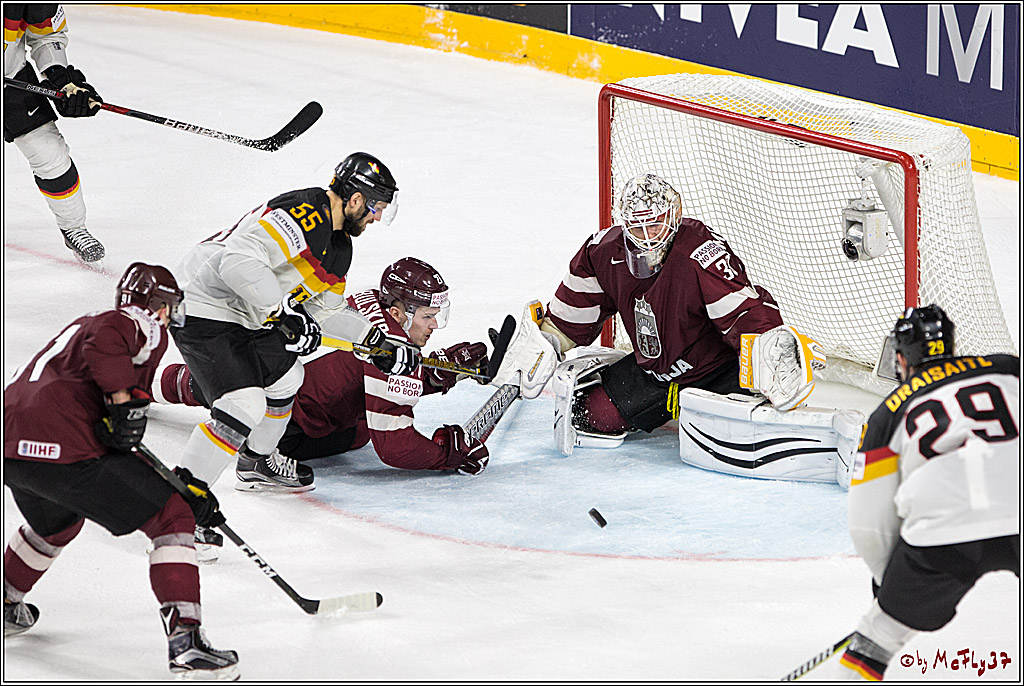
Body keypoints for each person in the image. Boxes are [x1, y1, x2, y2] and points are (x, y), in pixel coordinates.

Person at [171, 153, 422, 552]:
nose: (376, 218)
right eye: (375, 208)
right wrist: (281, 313)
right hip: (204, 300)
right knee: (244, 405)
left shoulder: (339, 246)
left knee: (288, 378)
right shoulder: (305, 213)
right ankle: (179, 508)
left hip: (248, 310)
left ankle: (256, 461)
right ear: (355, 199)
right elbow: (237, 262)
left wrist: (378, 344)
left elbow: (327, 312)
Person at [3, 263, 239, 679]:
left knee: (56, 521)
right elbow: (107, 342)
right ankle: (187, 644)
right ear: (156, 304)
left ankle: (4, 602)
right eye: (168, 305)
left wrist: (176, 483)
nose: (169, 315)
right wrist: (118, 398)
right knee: (171, 516)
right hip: (62, 444)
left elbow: (115, 441)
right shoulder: (137, 322)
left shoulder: (81, 327)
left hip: (13, 447)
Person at [535, 173, 824, 455]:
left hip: (716, 370)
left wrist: (768, 346)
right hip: (656, 373)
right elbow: (570, 316)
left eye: (656, 224)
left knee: (733, 434)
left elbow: (742, 311)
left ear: (674, 214)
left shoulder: (700, 250)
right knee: (590, 416)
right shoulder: (602, 252)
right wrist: (542, 344)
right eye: (638, 227)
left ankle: (715, 401)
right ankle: (677, 402)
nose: (647, 238)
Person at [156, 257, 492, 477]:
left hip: (262, 368)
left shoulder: (371, 301)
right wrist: (449, 451)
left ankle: (138, 381)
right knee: (362, 432)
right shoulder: (394, 345)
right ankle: (255, 445)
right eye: (428, 317)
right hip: (286, 425)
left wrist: (436, 372)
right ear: (400, 312)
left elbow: (368, 370)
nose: (434, 326)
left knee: (204, 383)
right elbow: (395, 446)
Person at [837, 305, 1019, 681]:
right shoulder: (1009, 367)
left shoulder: (888, 411)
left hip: (945, 534)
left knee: (878, 635)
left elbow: (869, 521)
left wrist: (888, 589)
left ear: (902, 359)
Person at [3, 4, 105, 263]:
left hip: (9, 77)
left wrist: (60, 77)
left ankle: (74, 228)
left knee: (50, 152)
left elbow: (46, 34)